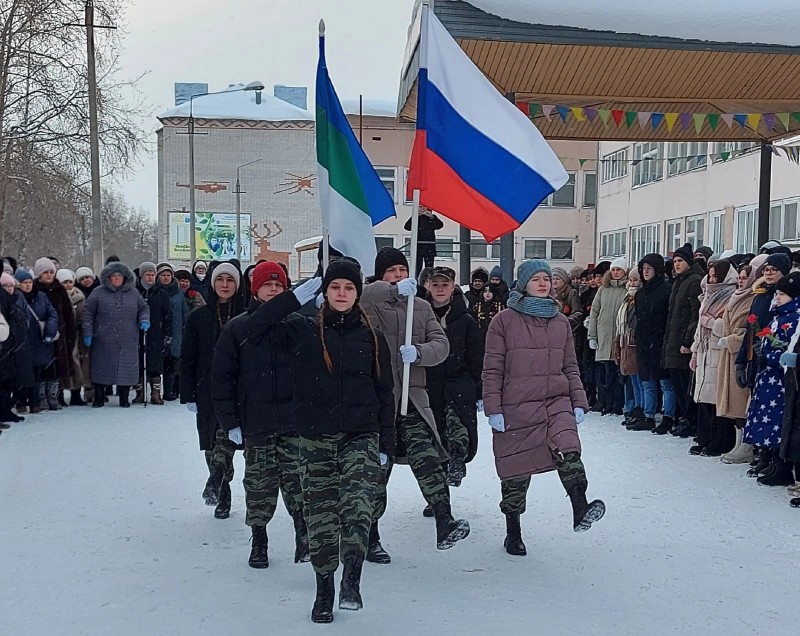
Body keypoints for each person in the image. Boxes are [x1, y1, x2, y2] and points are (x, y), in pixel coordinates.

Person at [246, 260, 396, 623]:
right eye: (334, 287)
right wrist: (291, 299)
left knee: (360, 506)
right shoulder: (303, 330)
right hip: (314, 439)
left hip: (361, 435)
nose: (342, 294)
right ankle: (325, 586)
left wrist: (386, 443)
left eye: (348, 288)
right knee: (321, 516)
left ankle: (353, 579)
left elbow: (385, 392)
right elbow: (254, 329)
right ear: (324, 292)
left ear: (357, 292)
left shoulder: (372, 337)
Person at [482, 259, 604, 557]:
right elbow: (492, 369)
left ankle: (580, 506)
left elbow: (570, 366)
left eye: (546, 279)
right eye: (536, 279)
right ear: (524, 284)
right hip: (517, 405)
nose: (543, 283)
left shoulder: (560, 321)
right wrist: (493, 408)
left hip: (555, 401)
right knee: (516, 471)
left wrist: (578, 401)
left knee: (569, 449)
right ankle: (513, 530)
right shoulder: (504, 321)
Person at [360, 247, 469, 564]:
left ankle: (444, 520)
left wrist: (419, 352)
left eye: (401, 270)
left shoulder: (420, 307)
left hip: (413, 398)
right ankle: (371, 535)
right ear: (381, 275)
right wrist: (392, 291)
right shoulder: (371, 301)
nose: (398, 275)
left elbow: (442, 345)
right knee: (377, 471)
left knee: (429, 458)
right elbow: (360, 298)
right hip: (379, 403)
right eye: (391, 271)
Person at [211, 261, 311, 569]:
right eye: (268, 285)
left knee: (299, 484)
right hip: (256, 422)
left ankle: (303, 535)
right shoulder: (239, 327)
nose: (273, 290)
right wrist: (230, 422)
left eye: (279, 286)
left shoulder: (299, 324)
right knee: (259, 486)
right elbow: (222, 378)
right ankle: (259, 539)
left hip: (294, 422)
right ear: (256, 290)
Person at [180, 262, 245, 520]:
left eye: (230, 280)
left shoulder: (246, 314)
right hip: (206, 386)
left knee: (225, 434)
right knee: (210, 441)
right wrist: (188, 394)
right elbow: (188, 357)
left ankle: (218, 477)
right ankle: (223, 489)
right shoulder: (199, 316)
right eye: (221, 280)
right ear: (213, 283)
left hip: (238, 388)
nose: (225, 285)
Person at [425, 266, 483, 489]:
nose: (440, 289)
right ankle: (438, 492)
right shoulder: (419, 314)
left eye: (445, 284)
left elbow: (476, 357)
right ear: (428, 286)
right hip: (429, 384)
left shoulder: (465, 320)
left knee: (457, 423)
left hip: (458, 382)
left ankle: (457, 458)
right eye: (435, 284)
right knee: (435, 436)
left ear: (453, 287)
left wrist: (478, 390)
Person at [743, 271, 800, 487]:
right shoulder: (779, 317)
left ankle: (780, 462)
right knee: (767, 415)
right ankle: (771, 459)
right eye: (777, 294)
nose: (777, 298)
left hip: (781, 378)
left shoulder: (793, 318)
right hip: (769, 376)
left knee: (778, 419)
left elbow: (789, 348)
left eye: (782, 295)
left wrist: (772, 355)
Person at [718, 258, 766, 464]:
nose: (741, 282)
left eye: (745, 278)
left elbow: (747, 330)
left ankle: (746, 446)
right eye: (739, 278)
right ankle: (739, 442)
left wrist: (729, 339)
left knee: (742, 403)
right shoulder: (734, 298)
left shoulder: (752, 299)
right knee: (734, 405)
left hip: (742, 354)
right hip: (731, 356)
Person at [83, 262, 150, 408]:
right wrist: (88, 332)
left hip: (128, 339)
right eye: (114, 276)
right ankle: (99, 398)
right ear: (108, 277)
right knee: (101, 369)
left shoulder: (133, 293)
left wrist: (144, 320)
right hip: (103, 339)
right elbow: (88, 312)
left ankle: (124, 398)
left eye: (119, 275)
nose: (117, 278)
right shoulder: (98, 292)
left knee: (125, 369)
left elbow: (143, 307)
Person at [688, 260, 738, 456]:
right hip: (704, 351)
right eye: (711, 275)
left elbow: (728, 327)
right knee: (703, 399)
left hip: (718, 352)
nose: (712, 279)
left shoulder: (730, 296)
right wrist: (694, 351)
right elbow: (699, 329)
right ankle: (704, 438)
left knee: (716, 400)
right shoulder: (707, 295)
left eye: (716, 276)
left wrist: (712, 323)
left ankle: (719, 442)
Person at [662, 244, 704, 438]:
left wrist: (687, 340)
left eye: (680, 261)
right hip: (673, 341)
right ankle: (684, 417)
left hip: (683, 343)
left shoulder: (694, 281)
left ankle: (690, 419)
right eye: (675, 261)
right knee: (678, 384)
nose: (676, 264)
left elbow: (695, 315)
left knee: (686, 384)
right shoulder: (679, 281)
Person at [634, 255, 677, 433]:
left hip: (660, 341)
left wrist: (660, 339)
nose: (645, 272)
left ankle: (668, 417)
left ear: (658, 270)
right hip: (644, 341)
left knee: (665, 382)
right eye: (643, 268)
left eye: (649, 268)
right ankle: (648, 416)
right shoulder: (641, 293)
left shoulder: (666, 290)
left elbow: (668, 318)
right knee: (647, 381)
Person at [736, 252, 789, 395]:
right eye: (766, 269)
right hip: (756, 358)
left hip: (776, 361)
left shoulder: (788, 296)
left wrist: (770, 345)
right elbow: (750, 328)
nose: (769, 273)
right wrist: (740, 361)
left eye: (774, 269)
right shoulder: (760, 296)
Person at [34, 258, 77, 410]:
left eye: (51, 272)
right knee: (41, 366)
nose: (49, 275)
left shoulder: (59, 290)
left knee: (57, 365)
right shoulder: (34, 289)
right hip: (39, 333)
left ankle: (54, 395)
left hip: (60, 334)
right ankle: (41, 397)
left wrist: (71, 334)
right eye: (45, 272)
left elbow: (68, 313)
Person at [588, 257, 629, 416]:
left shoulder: (627, 289)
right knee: (606, 373)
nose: (616, 272)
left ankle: (618, 404)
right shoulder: (603, 289)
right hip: (604, 336)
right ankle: (606, 402)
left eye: (619, 269)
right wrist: (592, 335)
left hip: (619, 337)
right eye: (613, 270)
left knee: (619, 374)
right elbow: (594, 312)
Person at [14, 268, 58, 412]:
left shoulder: (41, 296)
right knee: (21, 372)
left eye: (29, 282)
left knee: (36, 373)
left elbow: (52, 314)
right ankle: (21, 402)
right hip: (22, 340)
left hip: (39, 340)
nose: (27, 285)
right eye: (24, 282)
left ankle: (35, 403)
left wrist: (49, 332)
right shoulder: (15, 297)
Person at [135, 262, 172, 405]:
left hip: (157, 332)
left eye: (152, 274)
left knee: (155, 364)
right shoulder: (135, 292)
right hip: (138, 332)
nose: (150, 277)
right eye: (147, 274)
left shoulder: (161, 293)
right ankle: (140, 392)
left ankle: (156, 393)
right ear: (142, 275)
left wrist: (167, 334)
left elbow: (168, 314)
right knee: (139, 362)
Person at [0, 279, 33, 427]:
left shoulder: (14, 299)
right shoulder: (4, 300)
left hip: (12, 345)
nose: (9, 289)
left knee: (8, 381)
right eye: (5, 286)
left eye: (11, 285)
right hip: (5, 344)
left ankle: (5, 411)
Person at [155, 263, 189, 401]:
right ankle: (155, 392)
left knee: (173, 362)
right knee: (159, 363)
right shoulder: (155, 292)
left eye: (168, 275)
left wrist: (186, 327)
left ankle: (170, 391)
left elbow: (185, 312)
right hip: (158, 331)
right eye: (163, 275)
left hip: (176, 332)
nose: (166, 278)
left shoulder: (178, 293)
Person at [616, 269, 644, 428]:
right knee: (632, 378)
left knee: (639, 379)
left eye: (636, 280)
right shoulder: (627, 297)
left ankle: (640, 408)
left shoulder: (638, 298)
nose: (633, 283)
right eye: (631, 280)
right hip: (626, 339)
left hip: (635, 340)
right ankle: (633, 408)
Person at [56, 269, 87, 406]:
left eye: (70, 282)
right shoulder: (57, 296)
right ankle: (59, 393)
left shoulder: (80, 296)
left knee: (77, 364)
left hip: (78, 335)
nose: (68, 285)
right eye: (65, 282)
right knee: (63, 364)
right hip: (62, 335)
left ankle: (76, 393)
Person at [404, 207, 443, 276]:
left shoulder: (431, 219)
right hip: (418, 247)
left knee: (429, 269)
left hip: (429, 246)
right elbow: (407, 227)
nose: (423, 210)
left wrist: (432, 217)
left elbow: (440, 225)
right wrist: (415, 216)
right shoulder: (417, 218)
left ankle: (428, 281)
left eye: (425, 208)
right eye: (421, 208)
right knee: (417, 268)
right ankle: (417, 281)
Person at [552, 266, 584, 342]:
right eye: (553, 279)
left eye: (558, 279)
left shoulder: (571, 293)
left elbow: (578, 313)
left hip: (567, 332)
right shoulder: (548, 294)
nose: (555, 281)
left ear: (564, 280)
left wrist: (564, 322)